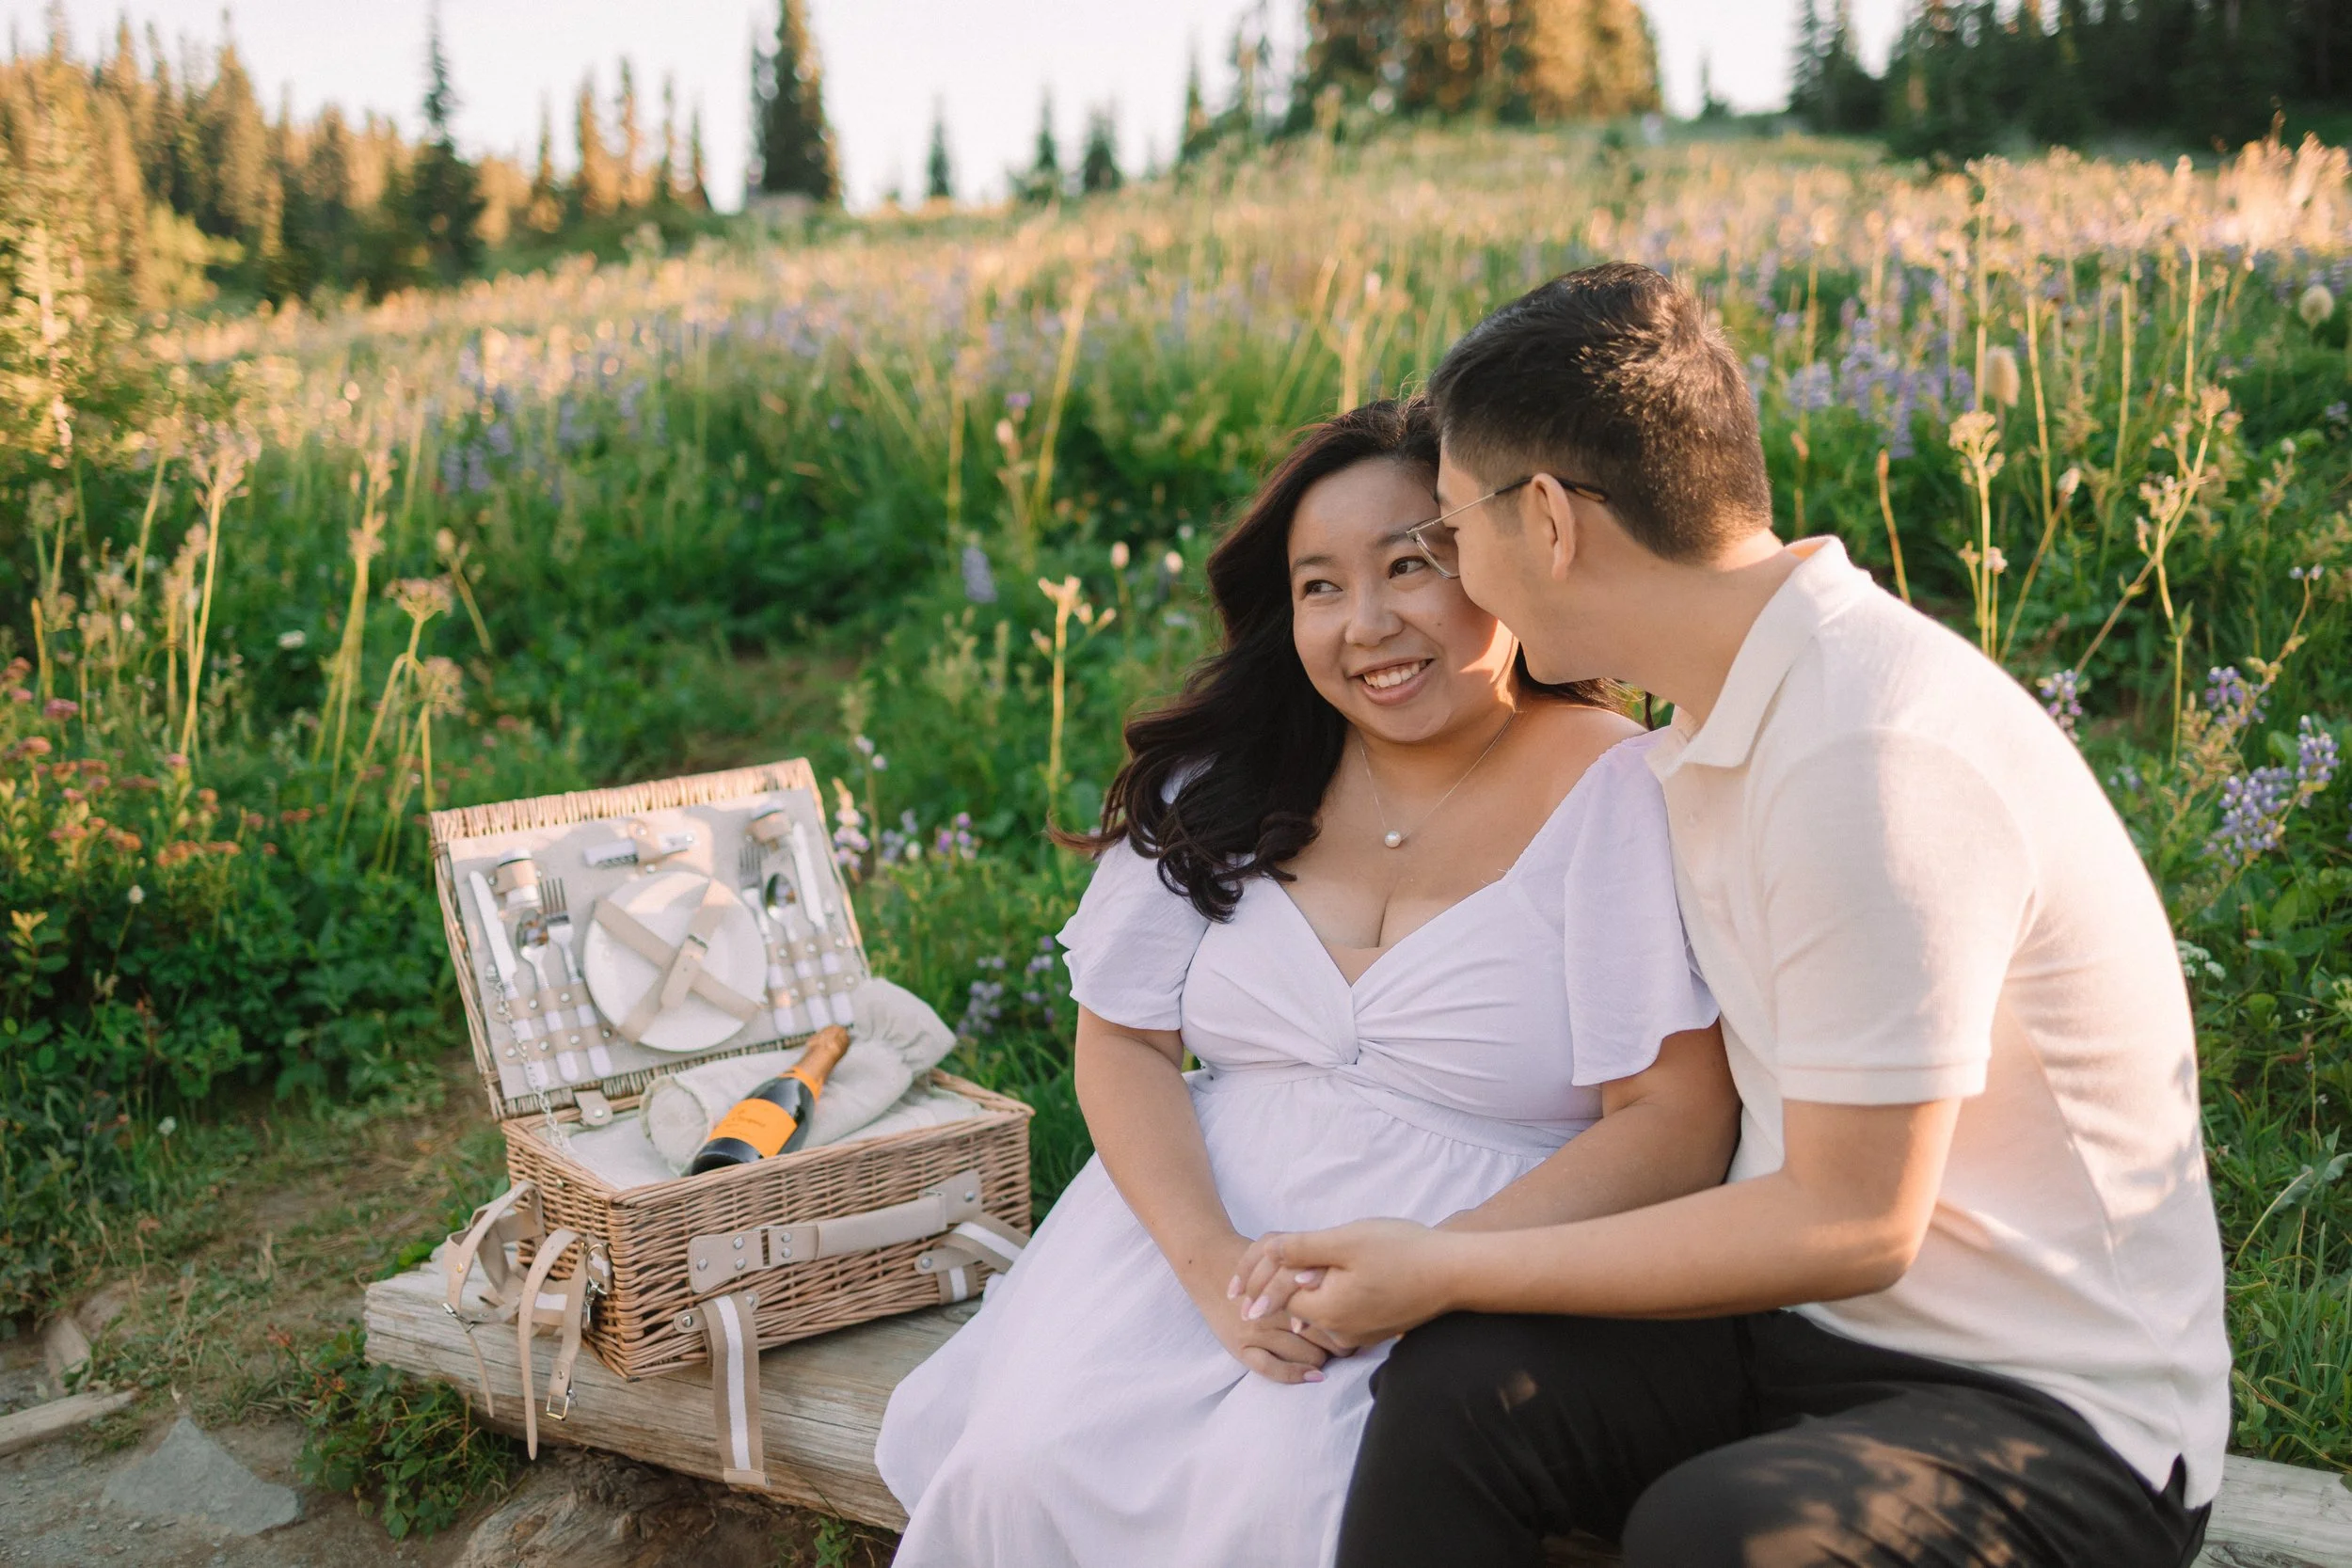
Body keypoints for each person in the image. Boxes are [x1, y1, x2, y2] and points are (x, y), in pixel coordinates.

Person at [1233, 263, 2233, 1568]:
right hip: (1799, 1336)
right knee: (1457, 1390)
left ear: (1547, 519)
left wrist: (1446, 1260)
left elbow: (1855, 1222)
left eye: (1453, 525)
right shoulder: (1716, 718)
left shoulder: (1873, 748)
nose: (1458, 568)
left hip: (2050, 1412)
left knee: (1718, 1532)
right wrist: (1440, 1269)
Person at [875, 397, 1736, 1568]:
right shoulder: (1225, 780)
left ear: (1496, 566)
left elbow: (1676, 1120)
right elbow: (1123, 1042)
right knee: (1024, 1466)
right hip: (1186, 1243)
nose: (1366, 624)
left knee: (1283, 1501)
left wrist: (1434, 1271)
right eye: (1319, 585)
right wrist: (1208, 1264)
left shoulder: (1615, 791)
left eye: (1409, 566)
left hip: (1466, 1264)